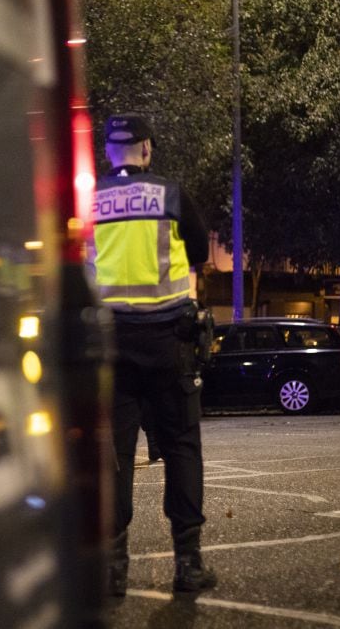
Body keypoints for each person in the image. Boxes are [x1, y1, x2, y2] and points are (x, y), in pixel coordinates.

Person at [85, 113, 215, 596]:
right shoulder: (171, 194)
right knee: (181, 444)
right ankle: (188, 565)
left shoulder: (88, 201)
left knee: (113, 455)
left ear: (108, 151)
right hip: (168, 341)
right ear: (146, 149)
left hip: (112, 342)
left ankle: (114, 570)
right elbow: (199, 252)